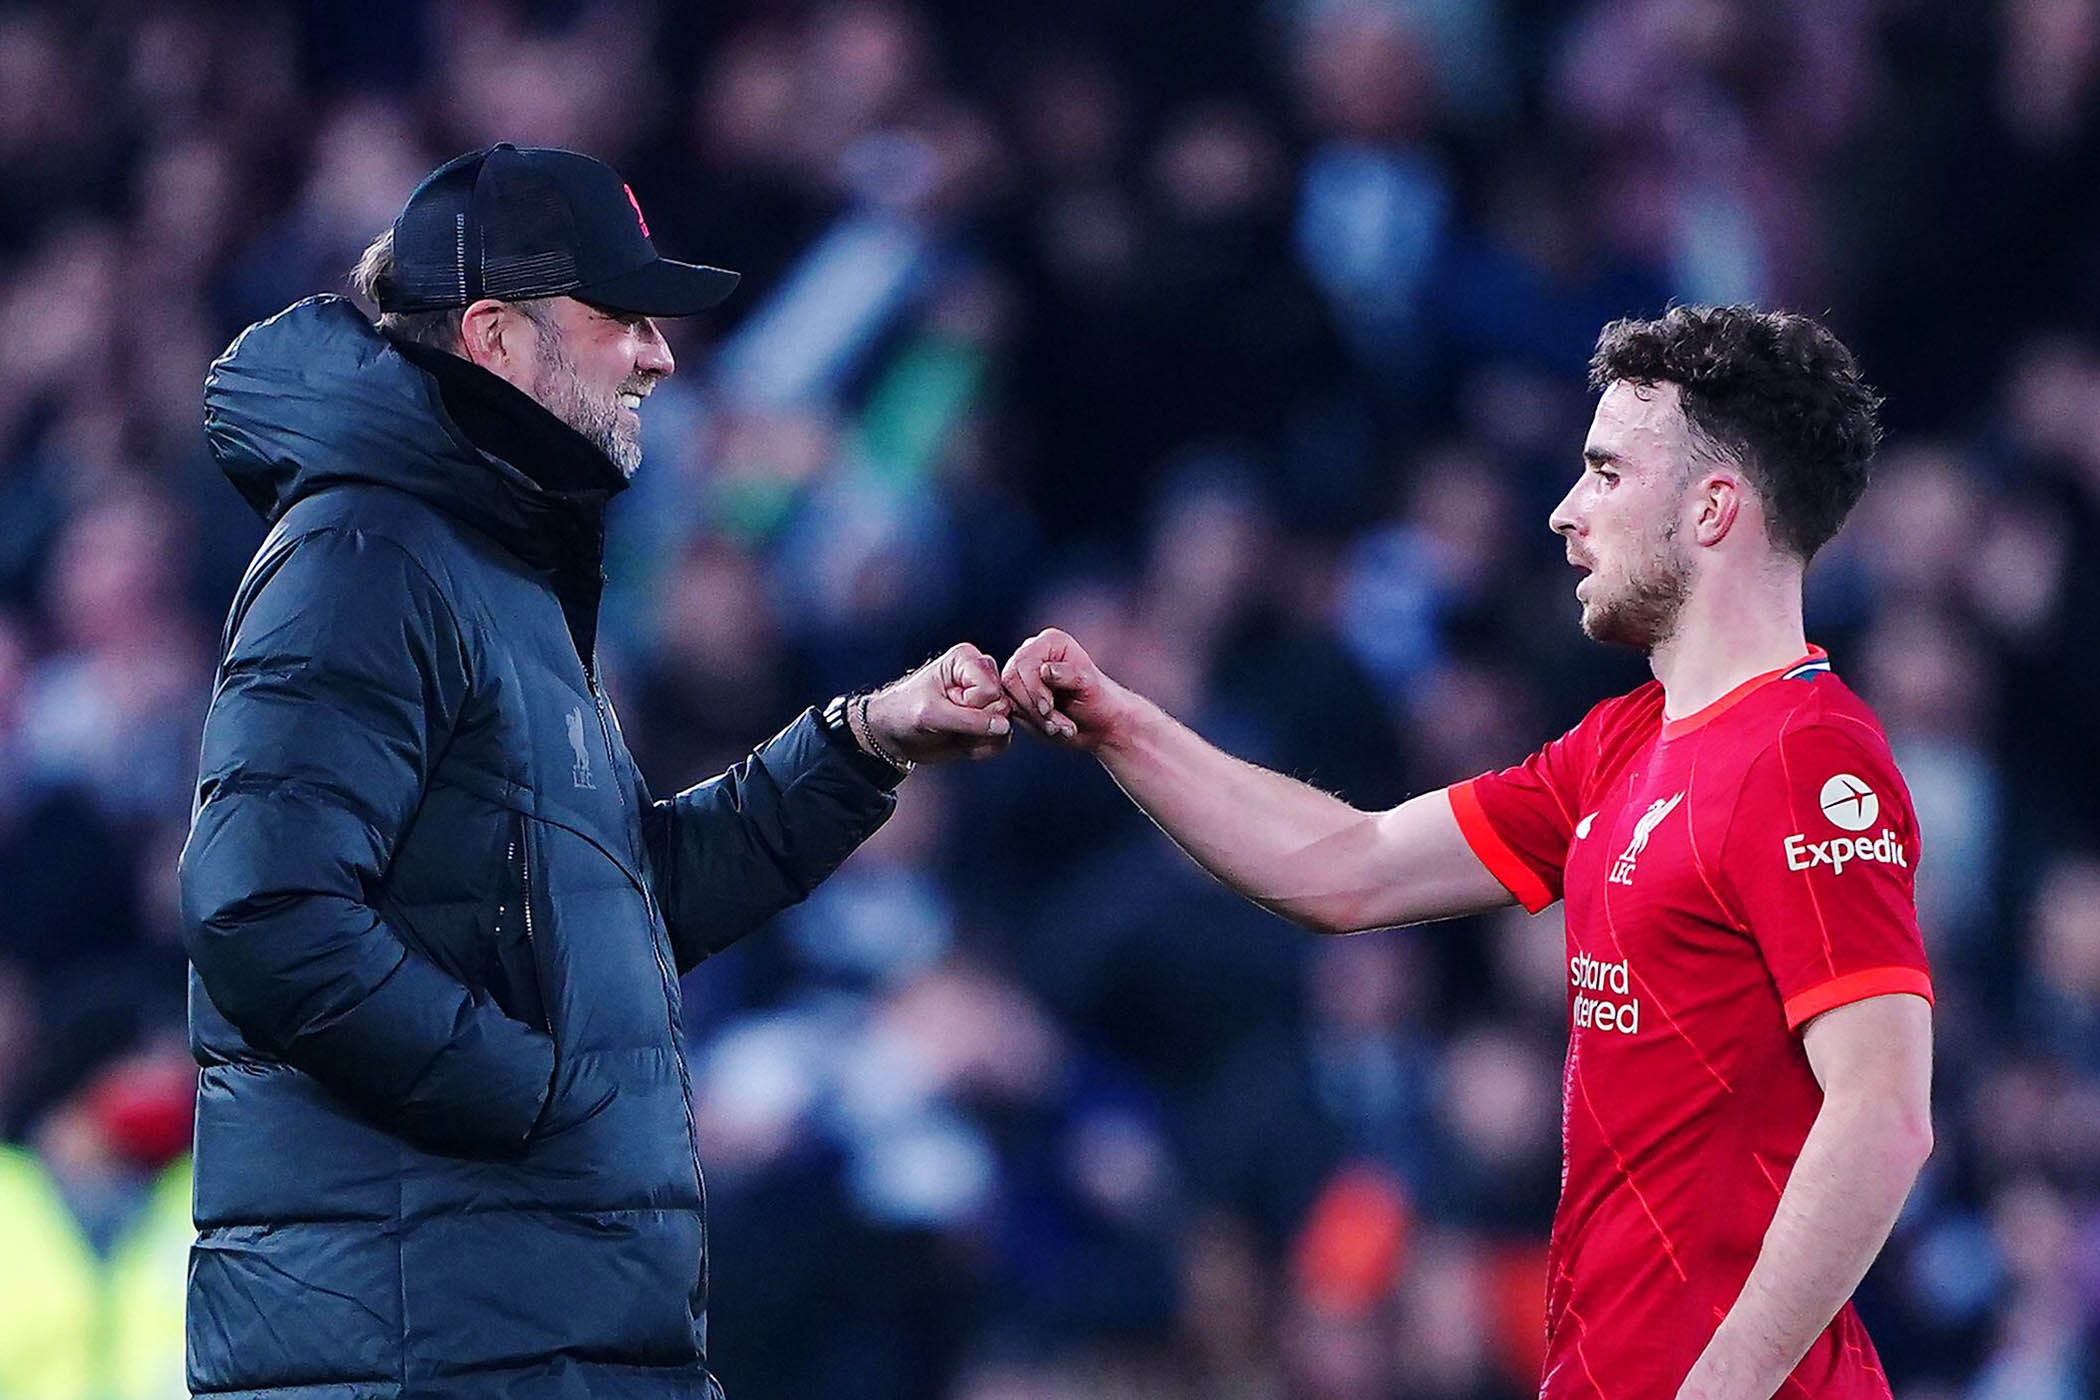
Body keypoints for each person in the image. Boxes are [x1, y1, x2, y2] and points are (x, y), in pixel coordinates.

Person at [179, 144, 1011, 1400]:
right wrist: (534, 1098)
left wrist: (861, 744)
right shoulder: (365, 549)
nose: (660, 354)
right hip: (434, 1350)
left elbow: (611, 911)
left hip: (533, 1334)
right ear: (494, 334)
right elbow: (261, 909)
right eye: (619, 315)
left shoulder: (493, 567)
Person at [1002, 305, 1933, 1400]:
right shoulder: (1620, 745)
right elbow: (1347, 865)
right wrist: (1123, 722)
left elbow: (1881, 1115)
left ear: (1713, 509)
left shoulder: (1808, 759)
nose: (1564, 511)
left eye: (1604, 474)